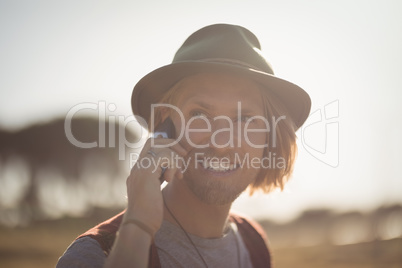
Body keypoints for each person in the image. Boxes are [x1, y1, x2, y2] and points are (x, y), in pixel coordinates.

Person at [57, 23, 311, 268]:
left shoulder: (252, 242)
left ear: (269, 138)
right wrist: (138, 225)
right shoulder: (94, 256)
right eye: (199, 115)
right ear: (164, 128)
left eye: (245, 119)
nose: (221, 143)